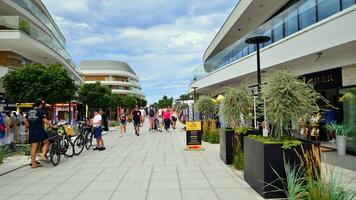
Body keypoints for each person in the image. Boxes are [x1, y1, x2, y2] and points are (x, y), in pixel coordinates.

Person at [24, 99, 57, 168]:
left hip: (32, 131)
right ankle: (42, 156)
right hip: (39, 130)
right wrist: (52, 126)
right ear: (40, 105)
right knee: (46, 142)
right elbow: (45, 120)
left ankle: (33, 164)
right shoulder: (41, 111)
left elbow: (25, 121)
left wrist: (26, 129)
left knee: (33, 147)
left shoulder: (29, 111)